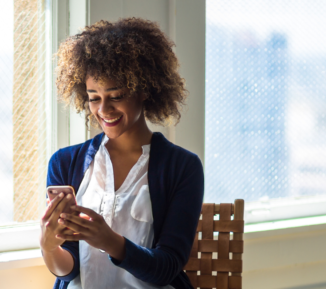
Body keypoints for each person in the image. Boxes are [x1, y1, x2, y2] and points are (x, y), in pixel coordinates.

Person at [40, 17, 204, 289]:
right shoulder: (65, 163)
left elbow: (167, 267)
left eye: (115, 96)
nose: (103, 109)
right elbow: (69, 270)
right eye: (94, 97)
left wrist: (110, 241)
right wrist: (48, 247)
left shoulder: (182, 167)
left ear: (143, 89)